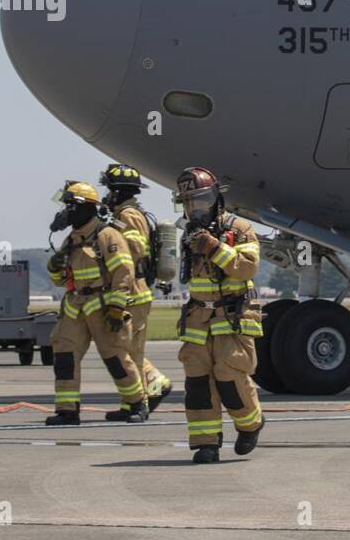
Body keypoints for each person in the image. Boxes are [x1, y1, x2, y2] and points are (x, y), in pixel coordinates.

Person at [173, 167, 263, 463]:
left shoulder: (239, 229)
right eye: (187, 203)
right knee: (197, 381)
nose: (193, 209)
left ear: (214, 199)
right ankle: (205, 444)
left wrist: (214, 248)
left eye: (198, 201)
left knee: (229, 375)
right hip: (199, 318)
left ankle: (250, 424)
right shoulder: (189, 235)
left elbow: (247, 268)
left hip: (233, 315)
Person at [44, 181, 148, 425]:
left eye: (71, 206)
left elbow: (124, 272)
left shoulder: (107, 235)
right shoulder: (72, 240)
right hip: (76, 306)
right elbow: (60, 280)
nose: (66, 212)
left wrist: (116, 308)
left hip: (103, 308)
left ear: (85, 208)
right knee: (64, 355)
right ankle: (67, 411)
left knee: (115, 357)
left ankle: (136, 404)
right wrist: (54, 265)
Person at [99, 163, 173, 416]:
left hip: (134, 291)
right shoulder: (123, 214)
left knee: (130, 351)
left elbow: (134, 250)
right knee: (126, 350)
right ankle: (135, 399)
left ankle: (141, 399)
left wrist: (107, 235)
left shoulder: (128, 216)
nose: (106, 195)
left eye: (110, 190)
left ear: (118, 191)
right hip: (130, 290)